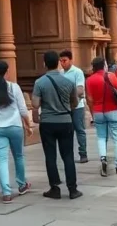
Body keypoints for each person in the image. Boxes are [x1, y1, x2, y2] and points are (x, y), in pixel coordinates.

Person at [31, 50, 81, 200]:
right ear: (58, 62)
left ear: (44, 63)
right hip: (65, 121)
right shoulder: (68, 82)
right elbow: (75, 103)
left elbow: (34, 103)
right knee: (68, 156)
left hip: (47, 122)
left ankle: (55, 188)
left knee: (50, 156)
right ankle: (73, 189)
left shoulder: (40, 82)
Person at [0, 61, 33, 203]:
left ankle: (6, 192)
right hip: (15, 126)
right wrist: (28, 126)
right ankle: (22, 185)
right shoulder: (14, 87)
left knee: (2, 160)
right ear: (6, 72)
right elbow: (23, 110)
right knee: (19, 157)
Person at [85, 56, 117, 177]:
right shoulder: (110, 76)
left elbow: (89, 99)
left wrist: (93, 112)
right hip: (113, 110)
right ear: (104, 65)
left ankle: (103, 160)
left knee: (101, 137)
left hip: (98, 112)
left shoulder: (89, 80)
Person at [58, 50, 89, 163]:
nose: (62, 63)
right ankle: (69, 154)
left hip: (77, 106)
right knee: (67, 131)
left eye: (65, 60)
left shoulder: (77, 72)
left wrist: (68, 94)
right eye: (60, 61)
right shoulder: (60, 73)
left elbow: (80, 90)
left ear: (71, 60)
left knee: (79, 129)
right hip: (65, 107)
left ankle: (83, 153)